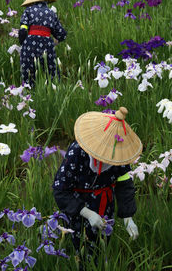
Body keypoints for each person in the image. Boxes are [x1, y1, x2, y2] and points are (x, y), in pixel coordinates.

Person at [52, 106, 143, 267]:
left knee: (101, 245)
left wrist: (128, 218)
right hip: (77, 205)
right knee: (78, 246)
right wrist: (87, 213)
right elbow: (60, 190)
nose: (107, 158)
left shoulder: (118, 153)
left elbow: (124, 184)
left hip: (104, 204)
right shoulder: (77, 152)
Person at [19, 0, 67, 86]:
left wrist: (23, 43)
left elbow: (23, 30)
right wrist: (56, 40)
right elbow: (61, 34)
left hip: (30, 44)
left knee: (29, 70)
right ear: (45, 1)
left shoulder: (28, 11)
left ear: (32, 1)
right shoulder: (51, 13)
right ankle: (52, 89)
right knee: (51, 70)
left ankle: (29, 91)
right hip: (47, 43)